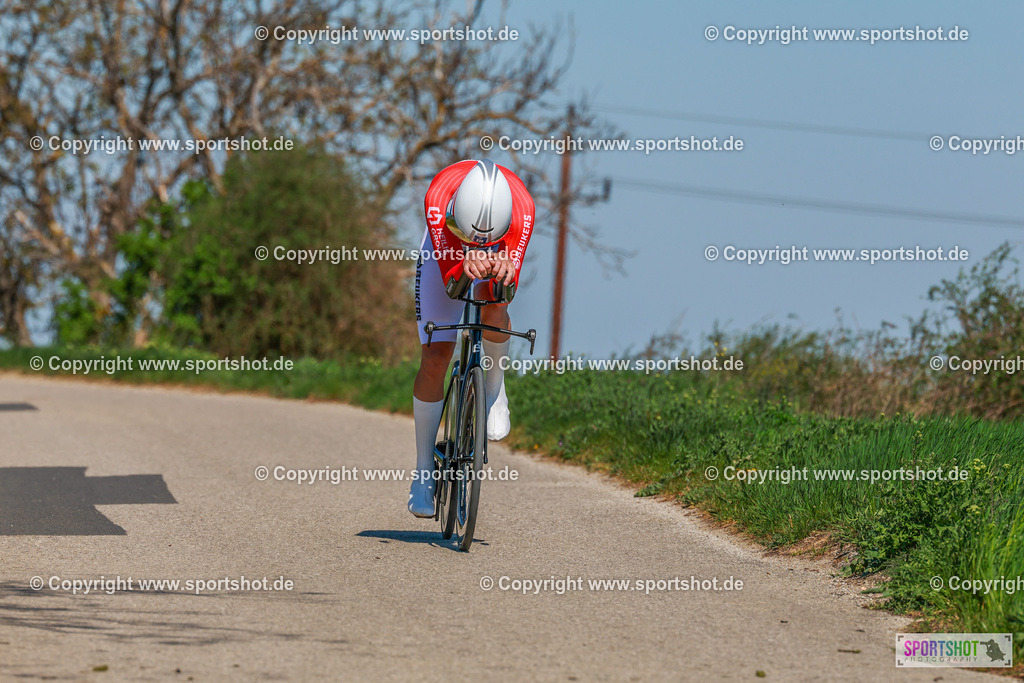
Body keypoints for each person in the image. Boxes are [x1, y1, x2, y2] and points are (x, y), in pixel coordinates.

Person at [409, 158, 535, 517]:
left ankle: (494, 389)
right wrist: (460, 263)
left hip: (501, 246)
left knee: (494, 300)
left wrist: (504, 270)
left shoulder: (523, 208)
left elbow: (506, 289)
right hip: (444, 251)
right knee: (436, 355)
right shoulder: (438, 198)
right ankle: (423, 472)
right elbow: (452, 288)